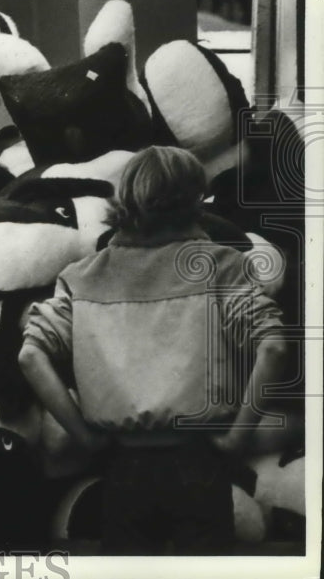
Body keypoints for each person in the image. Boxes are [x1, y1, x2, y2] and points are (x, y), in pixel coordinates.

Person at [18, 146, 287, 555]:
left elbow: (30, 356)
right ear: (194, 199)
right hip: (200, 462)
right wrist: (236, 437)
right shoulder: (221, 267)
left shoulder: (83, 277)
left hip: (123, 467)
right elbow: (274, 348)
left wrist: (85, 437)